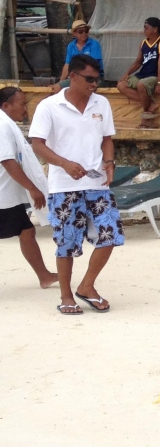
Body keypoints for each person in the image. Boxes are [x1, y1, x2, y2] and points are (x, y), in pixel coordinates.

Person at [29, 53, 124, 315]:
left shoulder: (101, 103)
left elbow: (107, 138)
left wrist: (109, 161)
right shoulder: (49, 106)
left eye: (97, 79)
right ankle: (66, 296)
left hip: (97, 183)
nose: (94, 84)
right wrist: (64, 164)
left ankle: (87, 286)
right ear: (72, 76)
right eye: (89, 79)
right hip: (63, 186)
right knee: (67, 243)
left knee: (111, 234)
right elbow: (37, 144)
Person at [0, 85, 58, 289]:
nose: (25, 109)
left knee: (26, 231)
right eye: (22, 104)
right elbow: (8, 161)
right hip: (3, 197)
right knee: (26, 231)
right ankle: (44, 276)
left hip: (7, 196)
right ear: (6, 105)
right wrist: (32, 188)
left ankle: (44, 276)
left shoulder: (7, 124)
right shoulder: (2, 125)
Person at [116, 18, 160, 119]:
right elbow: (138, 62)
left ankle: (146, 114)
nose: (144, 30)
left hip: (157, 76)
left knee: (141, 85)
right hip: (144, 75)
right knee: (121, 85)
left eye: (146, 28)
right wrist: (126, 74)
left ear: (155, 29)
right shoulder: (143, 43)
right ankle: (151, 103)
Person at [54, 19, 104, 88]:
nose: (84, 33)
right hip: (77, 77)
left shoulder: (94, 44)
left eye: (86, 31)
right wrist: (61, 82)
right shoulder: (71, 46)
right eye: (81, 31)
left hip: (93, 77)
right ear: (74, 34)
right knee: (58, 87)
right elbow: (67, 65)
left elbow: (93, 65)